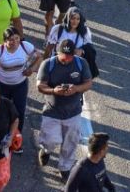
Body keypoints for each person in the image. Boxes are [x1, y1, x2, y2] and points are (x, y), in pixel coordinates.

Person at [36, 38, 93, 181]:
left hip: (73, 112)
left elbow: (88, 83)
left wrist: (76, 89)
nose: (66, 60)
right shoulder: (48, 64)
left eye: (69, 58)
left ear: (74, 54)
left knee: (70, 143)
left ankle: (65, 167)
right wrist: (54, 90)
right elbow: (40, 86)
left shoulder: (81, 63)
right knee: (50, 139)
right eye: (63, 58)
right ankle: (46, 150)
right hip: (52, 111)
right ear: (57, 52)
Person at [0, 26, 40, 152]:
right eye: (11, 39)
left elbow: (39, 56)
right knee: (2, 112)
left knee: (19, 112)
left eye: (17, 38)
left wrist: (32, 69)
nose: (14, 42)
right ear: (4, 41)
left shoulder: (25, 46)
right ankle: (1, 137)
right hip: (2, 85)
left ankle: (16, 139)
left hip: (20, 85)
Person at [45, 6, 97, 78]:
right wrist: (44, 65)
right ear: (68, 18)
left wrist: (82, 50)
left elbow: (89, 46)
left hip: (74, 65)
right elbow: (49, 48)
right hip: (58, 62)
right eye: (73, 18)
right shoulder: (58, 29)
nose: (75, 21)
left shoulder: (85, 31)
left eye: (78, 19)